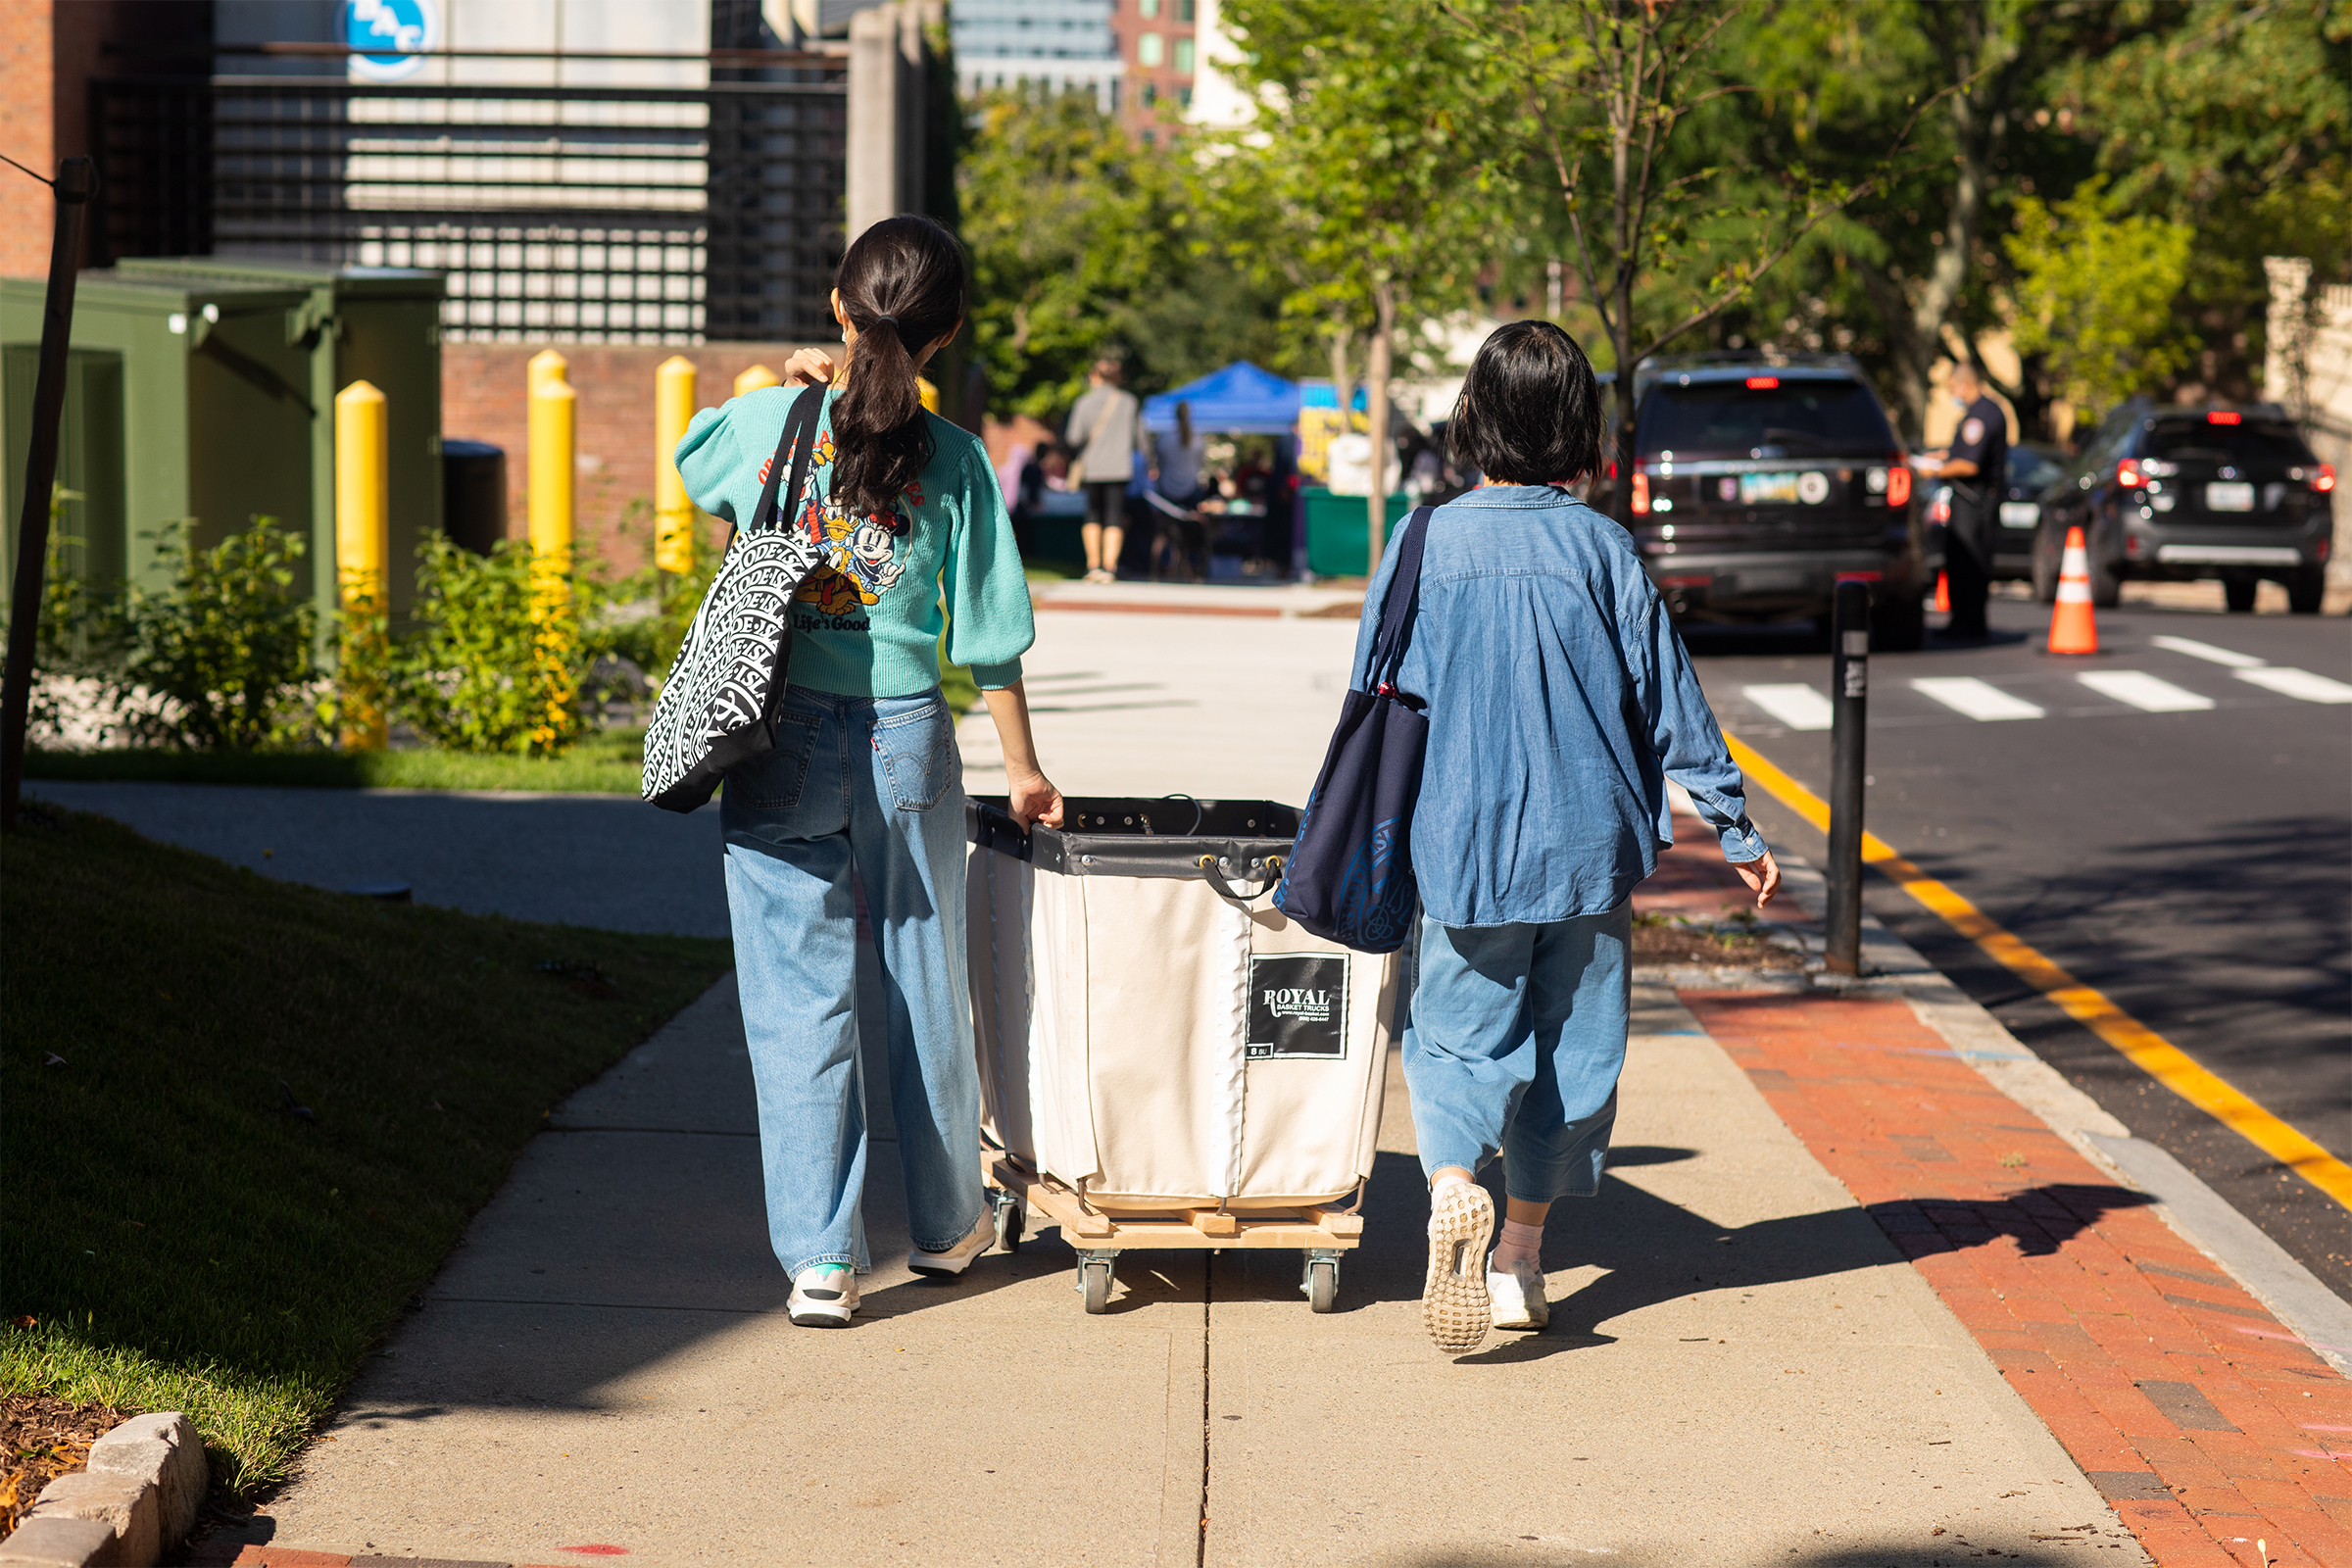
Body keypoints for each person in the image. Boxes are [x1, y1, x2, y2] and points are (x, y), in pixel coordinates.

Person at [1347, 320, 1782, 1355]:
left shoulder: (1423, 541)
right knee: (1574, 1063)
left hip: (1464, 846)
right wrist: (1733, 822)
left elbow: (1380, 686)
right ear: (1579, 428)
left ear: (1473, 418)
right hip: (1589, 847)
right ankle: (1522, 1261)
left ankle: (1454, 1184)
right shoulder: (1603, 548)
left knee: (1458, 1037)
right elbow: (1669, 700)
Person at [674, 215, 1067, 1331]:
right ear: (944, 335)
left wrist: (800, 374)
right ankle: (946, 1228)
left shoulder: (768, 421)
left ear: (841, 309)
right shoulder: (955, 458)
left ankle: (821, 1260)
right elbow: (988, 634)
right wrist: (1027, 768)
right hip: (907, 730)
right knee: (924, 971)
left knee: (800, 996)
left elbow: (693, 451)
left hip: (777, 723)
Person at [1925, 362, 2009, 640]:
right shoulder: (1977, 413)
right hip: (1968, 499)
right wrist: (1941, 455)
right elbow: (1959, 452)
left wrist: (1932, 470)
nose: (1952, 394)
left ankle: (1970, 625)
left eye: (1952, 388)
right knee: (1958, 560)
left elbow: (1970, 465)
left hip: (1975, 500)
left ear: (1964, 384)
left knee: (1970, 563)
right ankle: (1961, 621)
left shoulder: (1982, 416)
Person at [1065, 357, 1145, 582]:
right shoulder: (1129, 402)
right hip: (1120, 468)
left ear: (1095, 375)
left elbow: (1074, 437)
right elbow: (1139, 438)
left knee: (1092, 513)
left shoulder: (1084, 402)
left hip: (1092, 468)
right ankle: (1110, 567)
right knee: (1114, 515)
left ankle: (1093, 566)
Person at [1157, 400, 1207, 506]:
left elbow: (1159, 462)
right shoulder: (1198, 439)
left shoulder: (1164, 438)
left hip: (1167, 487)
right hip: (1191, 487)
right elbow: (1201, 462)